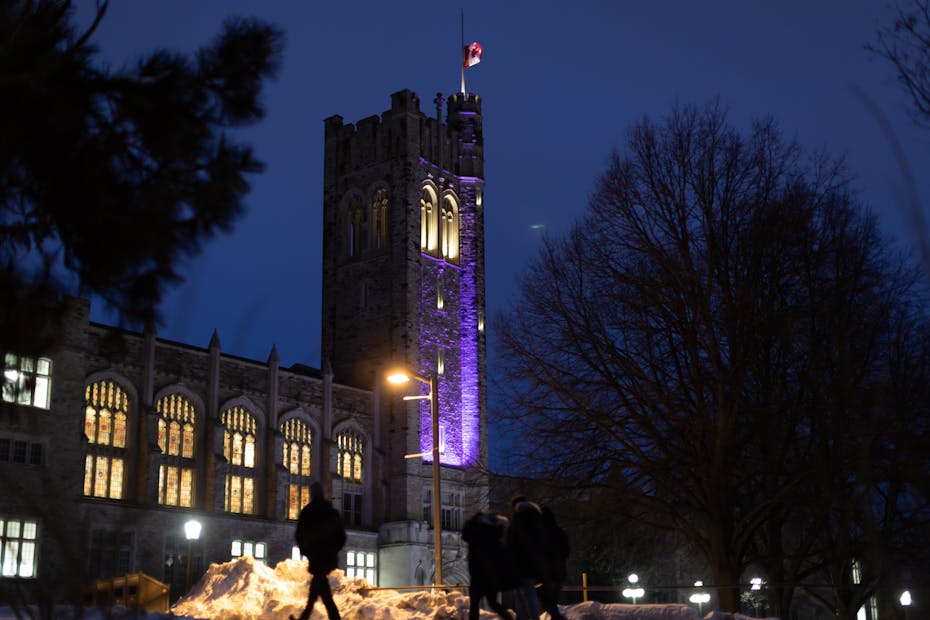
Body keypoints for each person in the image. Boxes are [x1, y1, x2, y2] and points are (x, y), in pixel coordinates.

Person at [291, 482, 346, 620]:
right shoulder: (330, 511)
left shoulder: (308, 512)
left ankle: (307, 617)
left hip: (316, 557)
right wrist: (333, 550)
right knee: (319, 589)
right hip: (327, 558)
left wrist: (306, 551)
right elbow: (341, 536)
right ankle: (305, 617)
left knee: (321, 591)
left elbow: (299, 535)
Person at [462, 512, 519, 620]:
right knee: (493, 603)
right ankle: (508, 617)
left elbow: (465, 535)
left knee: (474, 604)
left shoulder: (475, 534)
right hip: (491, 575)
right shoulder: (493, 535)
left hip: (478, 574)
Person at [506, 497, 546, 620]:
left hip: (520, 564)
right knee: (529, 596)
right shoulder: (538, 519)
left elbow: (513, 543)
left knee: (522, 598)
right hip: (534, 564)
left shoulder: (519, 519)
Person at [538, 506, 568, 620]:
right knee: (553, 597)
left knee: (544, 597)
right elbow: (566, 550)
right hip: (559, 569)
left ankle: (556, 617)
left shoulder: (541, 533)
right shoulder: (559, 531)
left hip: (546, 571)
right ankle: (555, 616)